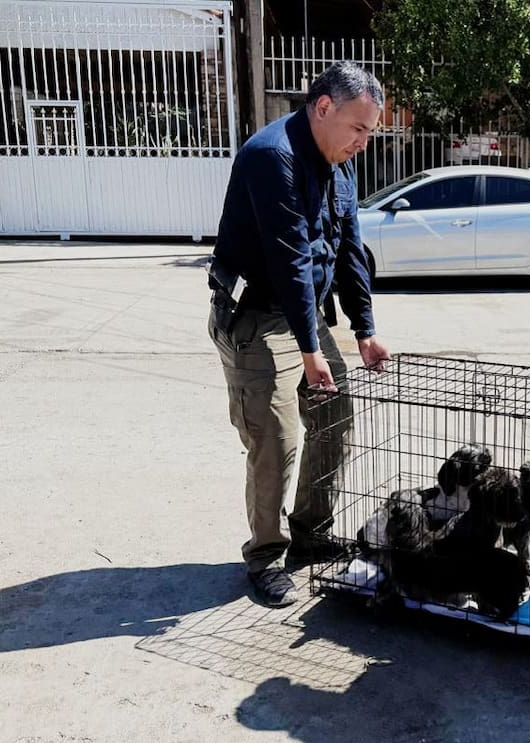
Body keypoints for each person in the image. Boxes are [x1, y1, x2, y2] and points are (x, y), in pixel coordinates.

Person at [207, 61, 389, 608]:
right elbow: (290, 261)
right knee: (277, 439)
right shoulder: (272, 158)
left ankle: (312, 532)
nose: (363, 142)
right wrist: (312, 353)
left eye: (370, 132)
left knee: (336, 416)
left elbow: (349, 250)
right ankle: (266, 555)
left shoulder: (339, 162)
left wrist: (364, 330)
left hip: (303, 312)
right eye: (358, 128)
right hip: (255, 316)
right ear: (324, 107)